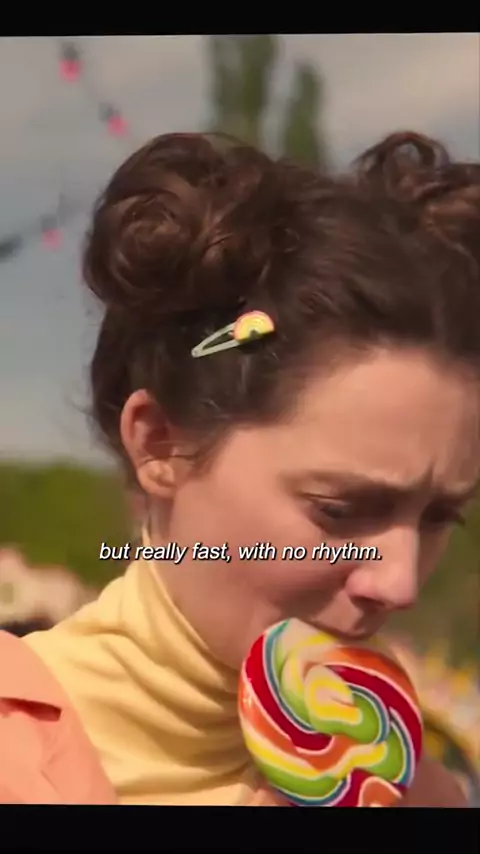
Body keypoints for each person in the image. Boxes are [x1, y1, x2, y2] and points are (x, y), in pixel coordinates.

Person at [2, 130, 479, 806]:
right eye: (339, 510)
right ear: (159, 444)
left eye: (437, 517)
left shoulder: (413, 786)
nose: (399, 584)